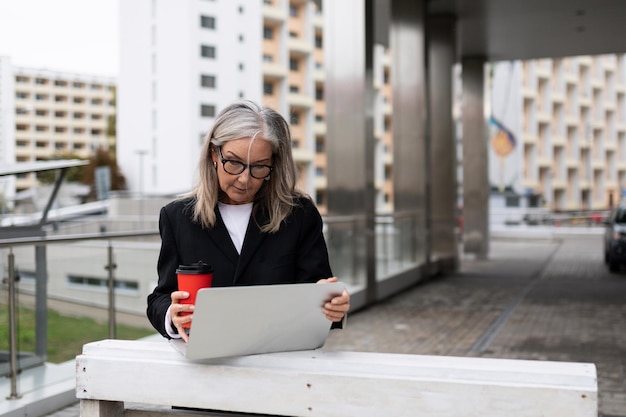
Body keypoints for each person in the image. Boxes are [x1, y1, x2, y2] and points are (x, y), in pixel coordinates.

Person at [147, 100, 350, 342]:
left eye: (260, 167)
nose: (245, 179)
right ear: (214, 153)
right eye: (233, 162)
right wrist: (172, 315)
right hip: (208, 362)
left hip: (281, 356)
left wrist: (333, 304)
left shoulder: (299, 214)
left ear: (273, 163)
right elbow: (161, 297)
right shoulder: (177, 217)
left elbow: (318, 291)